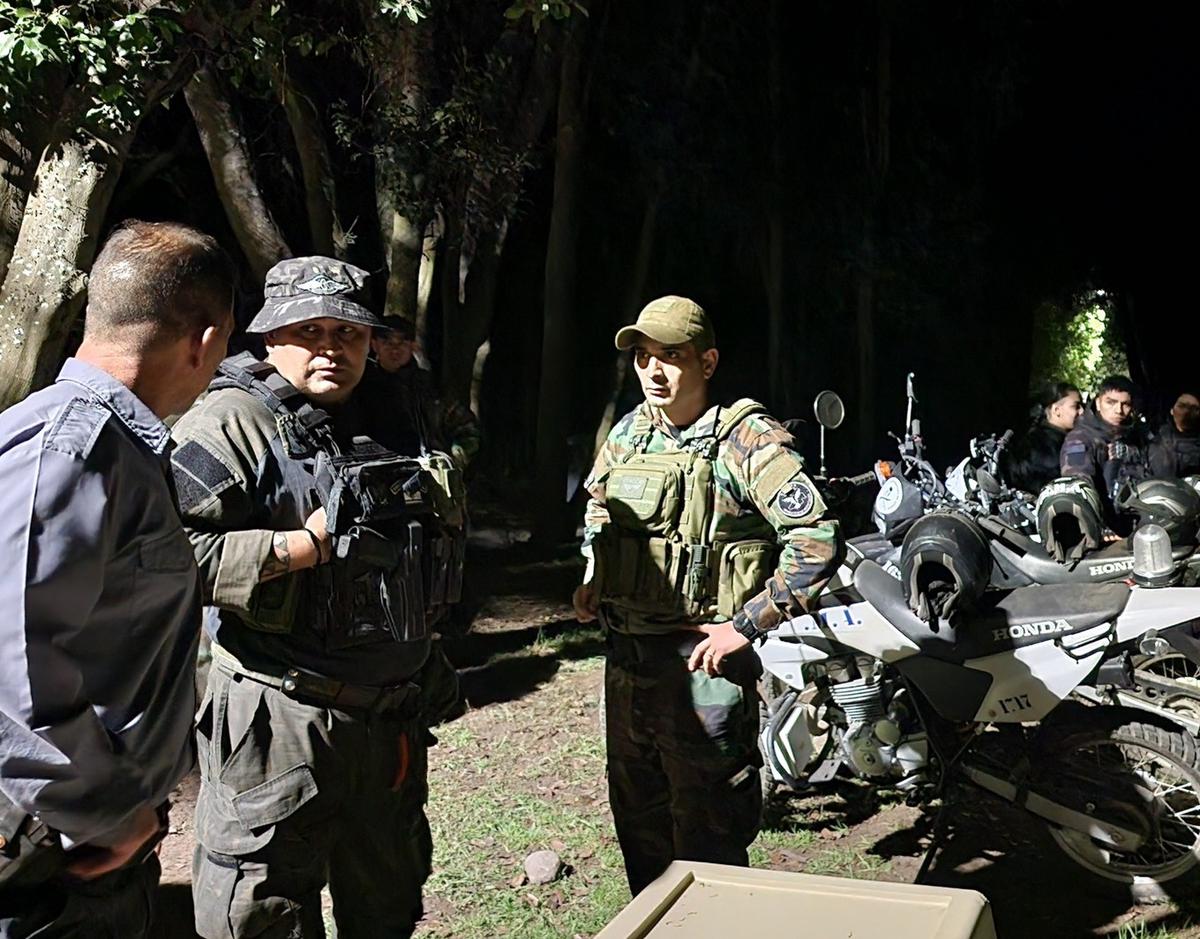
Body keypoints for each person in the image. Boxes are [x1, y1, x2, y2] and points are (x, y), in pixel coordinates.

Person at [172, 257, 459, 939]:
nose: (331, 348)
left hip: (387, 719)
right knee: (262, 915)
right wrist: (301, 547)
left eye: (348, 332)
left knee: (386, 908)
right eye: (309, 331)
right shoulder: (233, 421)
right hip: (279, 718)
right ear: (271, 337)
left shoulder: (395, 414)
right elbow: (161, 554)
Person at [0, 221, 234, 937]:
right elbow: (11, 669)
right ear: (203, 342)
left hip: (83, 850)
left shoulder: (115, 446)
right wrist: (106, 809)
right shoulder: (72, 453)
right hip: (53, 863)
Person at [572, 296, 842, 895]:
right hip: (628, 667)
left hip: (703, 675)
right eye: (643, 357)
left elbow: (817, 539)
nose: (653, 371)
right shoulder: (630, 433)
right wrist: (595, 572)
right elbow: (598, 508)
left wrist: (743, 626)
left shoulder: (745, 440)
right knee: (640, 834)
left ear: (707, 362)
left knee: (710, 844)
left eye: (671, 356)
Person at [359, 316, 480, 469]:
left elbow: (468, 430)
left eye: (402, 342)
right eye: (387, 342)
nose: (395, 349)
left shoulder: (431, 388)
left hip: (426, 471)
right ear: (374, 345)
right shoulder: (361, 386)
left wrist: (452, 459)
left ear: (413, 346)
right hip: (374, 470)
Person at [1060, 375, 1151, 530]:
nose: (1118, 410)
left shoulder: (1137, 435)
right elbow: (1078, 489)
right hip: (1106, 528)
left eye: (1125, 404)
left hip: (1144, 521)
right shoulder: (1080, 439)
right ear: (1098, 402)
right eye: (1111, 402)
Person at [1002, 380, 1083, 494]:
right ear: (1056, 410)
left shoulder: (1036, 439)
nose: (1082, 411)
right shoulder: (1048, 447)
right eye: (1076, 406)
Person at [1150, 392, 1200, 478]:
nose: (1187, 411)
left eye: (1194, 408)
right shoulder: (1156, 440)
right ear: (1172, 410)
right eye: (1182, 406)